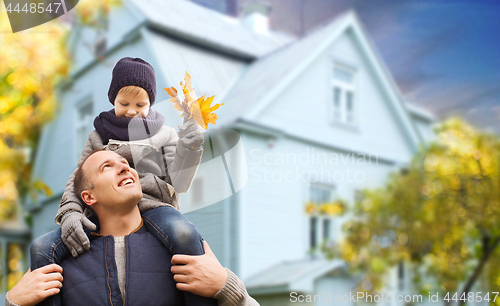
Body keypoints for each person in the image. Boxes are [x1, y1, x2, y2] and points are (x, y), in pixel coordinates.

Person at [29, 57, 213, 306]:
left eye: (141, 104)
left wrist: (191, 145)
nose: (131, 110)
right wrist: (71, 212)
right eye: (123, 103)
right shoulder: (99, 135)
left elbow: (179, 181)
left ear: (151, 103)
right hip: (105, 208)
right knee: (42, 246)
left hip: (155, 206)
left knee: (184, 232)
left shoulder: (165, 134)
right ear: (112, 99)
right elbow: (80, 178)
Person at [6, 150, 259, 306]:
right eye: (107, 166)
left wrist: (227, 288)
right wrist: (13, 303)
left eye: (124, 162)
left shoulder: (184, 253)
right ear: (88, 197)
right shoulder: (59, 266)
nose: (125, 166)